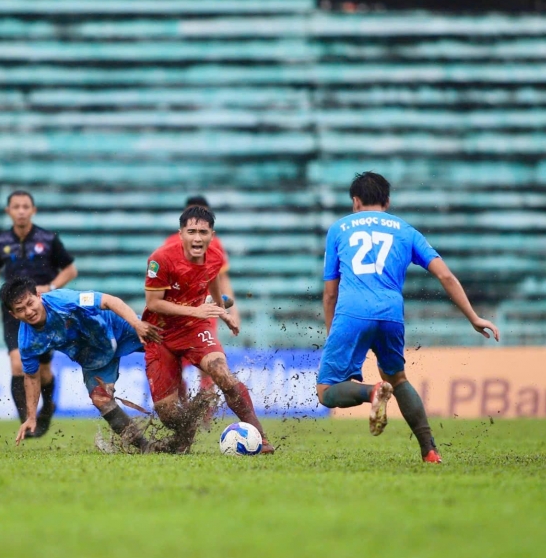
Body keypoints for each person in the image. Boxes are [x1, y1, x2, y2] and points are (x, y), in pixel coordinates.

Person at [316, 171, 500, 463]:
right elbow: (446, 276)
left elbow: (329, 294)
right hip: (391, 314)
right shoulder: (406, 230)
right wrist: (474, 317)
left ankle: (373, 391)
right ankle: (430, 450)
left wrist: (332, 334)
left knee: (326, 391)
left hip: (352, 312)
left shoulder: (339, 229)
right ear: (387, 201)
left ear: (355, 201)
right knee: (399, 379)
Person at [143, 206, 275, 454]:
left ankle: (260, 437)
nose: (197, 238)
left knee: (221, 372)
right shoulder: (160, 259)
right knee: (168, 413)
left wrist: (223, 312)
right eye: (191, 231)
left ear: (211, 235)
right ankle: (185, 433)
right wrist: (196, 310)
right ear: (180, 233)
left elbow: (211, 279)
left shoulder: (215, 257)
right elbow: (153, 303)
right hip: (159, 334)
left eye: (202, 232)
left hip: (194, 329)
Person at [5, 277, 164, 453]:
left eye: (30, 303)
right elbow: (32, 377)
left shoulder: (63, 300)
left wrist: (136, 324)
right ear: (13, 315)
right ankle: (146, 448)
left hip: (117, 326)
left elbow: (109, 301)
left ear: (39, 296)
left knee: (167, 339)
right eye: (20, 309)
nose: (29, 311)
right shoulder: (27, 342)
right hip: (93, 356)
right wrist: (31, 417)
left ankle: (197, 401)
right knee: (101, 400)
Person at [0, 191, 78, 438]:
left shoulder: (48, 239)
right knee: (18, 364)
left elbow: (70, 269)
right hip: (14, 313)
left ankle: (47, 408)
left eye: (26, 206)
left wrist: (51, 287)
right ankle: (28, 421)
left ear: (33, 210)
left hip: (41, 312)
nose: (21, 210)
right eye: (16, 206)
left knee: (44, 371)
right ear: (8, 211)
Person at [163, 196, 238, 423]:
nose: (198, 232)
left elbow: (221, 279)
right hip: (178, 313)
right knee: (175, 364)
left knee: (208, 364)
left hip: (205, 309)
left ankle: (205, 414)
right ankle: (185, 407)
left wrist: (230, 311)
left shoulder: (215, 247)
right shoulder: (169, 245)